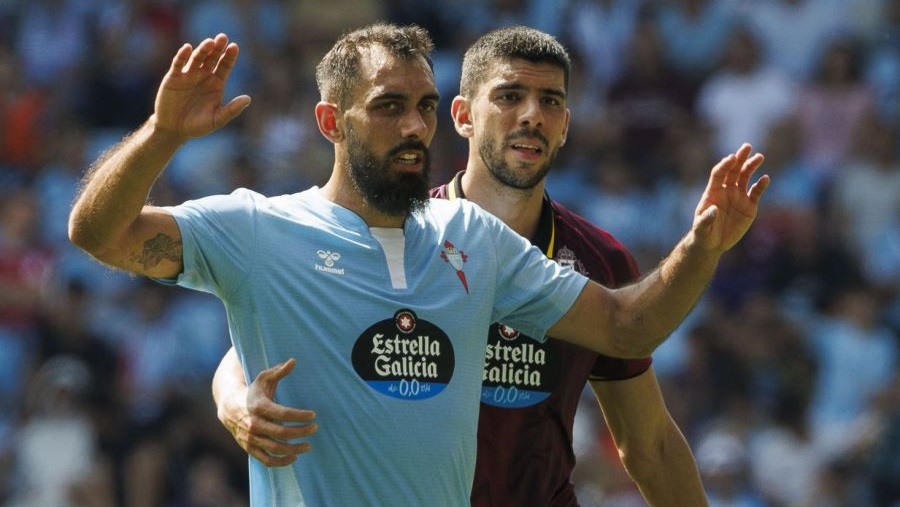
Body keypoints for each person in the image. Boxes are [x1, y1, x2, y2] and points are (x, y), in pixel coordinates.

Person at [67, 24, 767, 506]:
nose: (413, 127)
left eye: (421, 107)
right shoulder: (262, 227)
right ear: (330, 121)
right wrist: (162, 135)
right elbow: (108, 239)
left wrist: (704, 244)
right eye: (389, 107)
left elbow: (627, 338)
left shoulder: (475, 239)